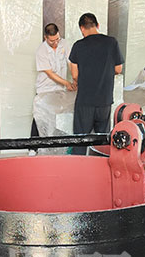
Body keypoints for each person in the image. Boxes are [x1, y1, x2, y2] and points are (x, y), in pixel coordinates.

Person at [68, 13, 123, 154]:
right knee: (102, 142)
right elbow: (118, 69)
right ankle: (100, 165)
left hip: (85, 101)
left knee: (81, 140)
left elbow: (74, 75)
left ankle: (79, 165)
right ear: (97, 25)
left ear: (82, 28)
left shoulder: (78, 46)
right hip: (104, 101)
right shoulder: (112, 42)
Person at [31, 23, 73, 137]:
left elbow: (71, 63)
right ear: (45, 37)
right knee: (40, 118)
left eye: (57, 39)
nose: (55, 43)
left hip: (60, 89)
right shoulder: (41, 50)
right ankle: (35, 144)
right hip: (45, 89)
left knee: (58, 119)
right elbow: (50, 73)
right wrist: (67, 83)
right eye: (52, 41)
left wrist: (75, 79)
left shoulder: (64, 44)